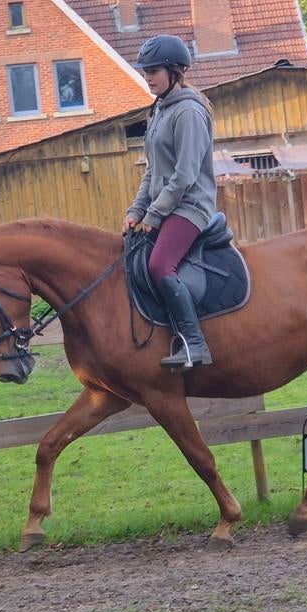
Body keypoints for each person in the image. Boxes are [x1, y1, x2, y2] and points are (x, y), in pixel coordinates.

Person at [123, 34, 217, 370]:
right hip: (166, 205)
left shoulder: (188, 112)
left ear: (175, 71)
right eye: (144, 70)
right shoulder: (158, 111)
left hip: (190, 206)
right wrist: (136, 211)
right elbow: (153, 171)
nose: (147, 76)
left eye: (154, 70)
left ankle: (195, 344)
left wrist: (156, 214)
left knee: (159, 265)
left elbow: (185, 175)